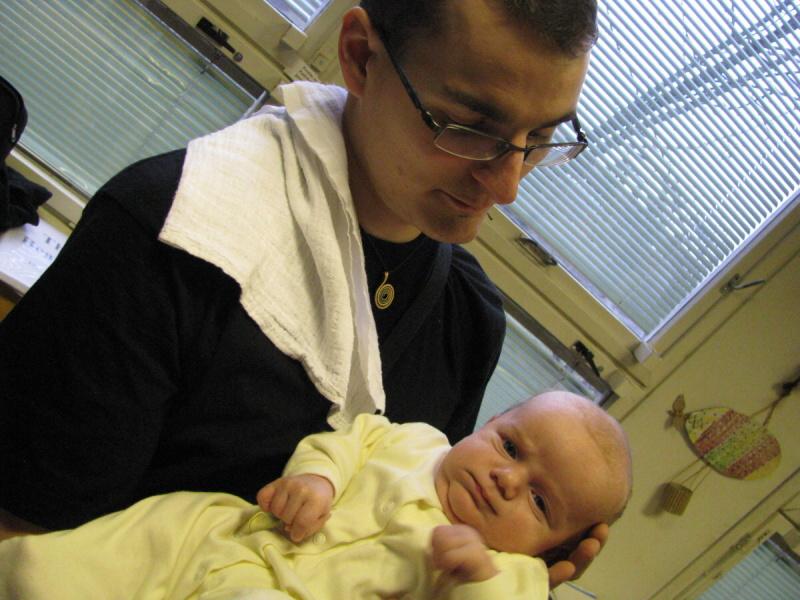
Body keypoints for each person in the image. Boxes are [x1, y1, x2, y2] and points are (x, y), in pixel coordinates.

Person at [0, 0, 604, 586]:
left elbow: (424, 528)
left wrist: (499, 574)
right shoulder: (173, 234)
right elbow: (23, 547)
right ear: (360, 56)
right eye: (468, 128)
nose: (506, 186)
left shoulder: (469, 319)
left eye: (541, 136)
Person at [0, 392, 632, 600]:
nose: (507, 480)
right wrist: (316, 481)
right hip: (242, 537)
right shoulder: (417, 439)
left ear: (553, 550)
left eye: (540, 503)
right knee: (160, 525)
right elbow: (347, 442)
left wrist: (474, 580)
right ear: (486, 424)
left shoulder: (512, 574)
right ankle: (29, 576)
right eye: (510, 447)